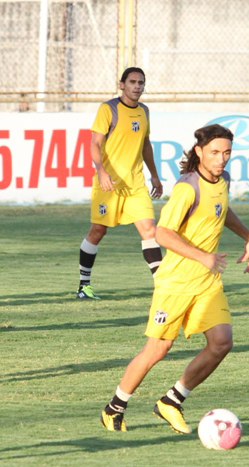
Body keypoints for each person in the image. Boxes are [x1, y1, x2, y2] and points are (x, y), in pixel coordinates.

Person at [100, 124, 249, 433]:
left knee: (222, 343)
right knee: (158, 349)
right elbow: (162, 233)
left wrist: (247, 235)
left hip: (207, 283)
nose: (221, 159)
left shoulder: (222, 180)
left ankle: (171, 401)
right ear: (199, 152)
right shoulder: (188, 188)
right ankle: (114, 407)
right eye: (214, 153)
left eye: (226, 153)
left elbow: (220, 210)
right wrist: (203, 256)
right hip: (177, 283)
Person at [76, 67, 163, 299]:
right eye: (132, 82)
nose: (137, 86)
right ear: (121, 84)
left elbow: (146, 144)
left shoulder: (144, 111)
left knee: (150, 231)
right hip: (109, 184)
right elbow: (95, 143)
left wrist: (154, 174)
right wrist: (101, 171)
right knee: (98, 231)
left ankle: (163, 287)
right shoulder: (109, 109)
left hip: (135, 185)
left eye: (141, 83)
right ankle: (84, 286)